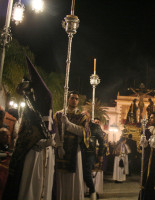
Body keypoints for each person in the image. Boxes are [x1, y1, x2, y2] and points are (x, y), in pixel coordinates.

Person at [3, 57, 55, 200]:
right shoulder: (28, 110)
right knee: (30, 187)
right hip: (32, 154)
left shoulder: (40, 109)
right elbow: (25, 132)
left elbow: (51, 128)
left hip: (44, 154)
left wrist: (51, 140)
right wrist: (37, 142)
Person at [54, 91, 90, 200]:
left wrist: (69, 124)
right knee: (60, 176)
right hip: (61, 149)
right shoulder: (59, 114)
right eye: (72, 98)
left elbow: (84, 132)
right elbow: (55, 132)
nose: (74, 100)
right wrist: (59, 146)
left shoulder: (82, 116)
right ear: (67, 99)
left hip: (75, 150)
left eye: (76, 98)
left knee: (74, 177)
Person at [81, 113, 105, 200]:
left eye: (85, 115)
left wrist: (100, 154)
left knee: (87, 173)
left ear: (89, 117)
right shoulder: (79, 125)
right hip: (80, 152)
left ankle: (92, 191)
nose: (83, 117)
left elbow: (102, 141)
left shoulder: (95, 127)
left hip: (90, 153)